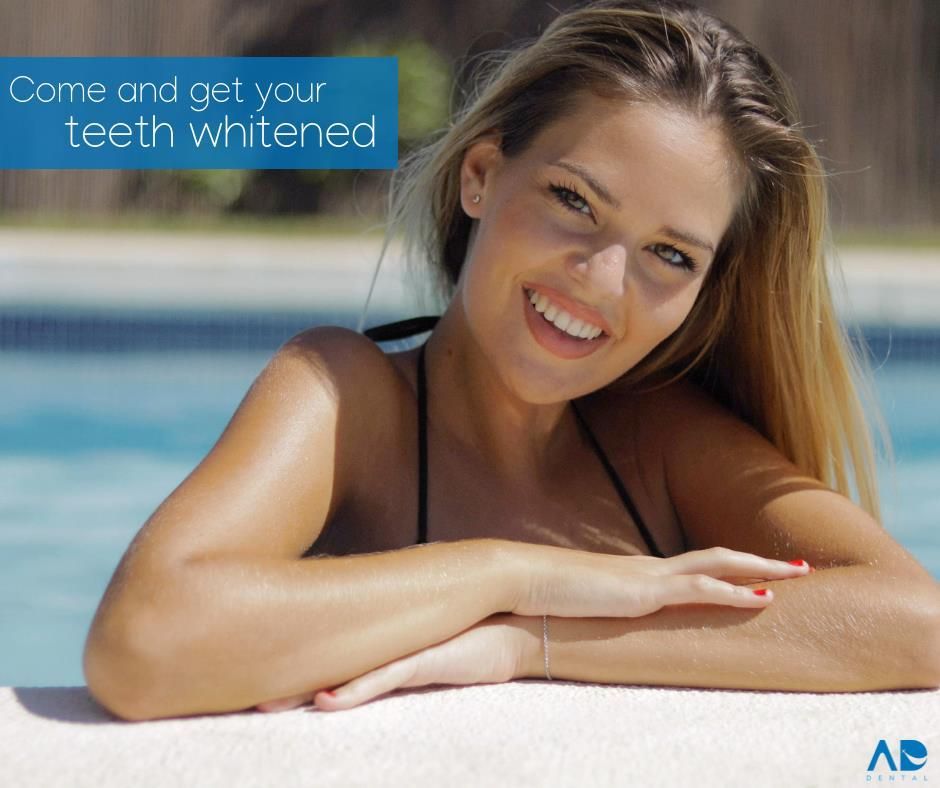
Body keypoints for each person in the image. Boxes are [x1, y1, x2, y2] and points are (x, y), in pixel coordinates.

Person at [83, 0, 940, 720]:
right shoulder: (347, 399)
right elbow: (145, 642)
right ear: (482, 175)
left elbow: (917, 622)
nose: (604, 282)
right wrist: (517, 569)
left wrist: (528, 640)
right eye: (574, 201)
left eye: (670, 255)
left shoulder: (660, 442)